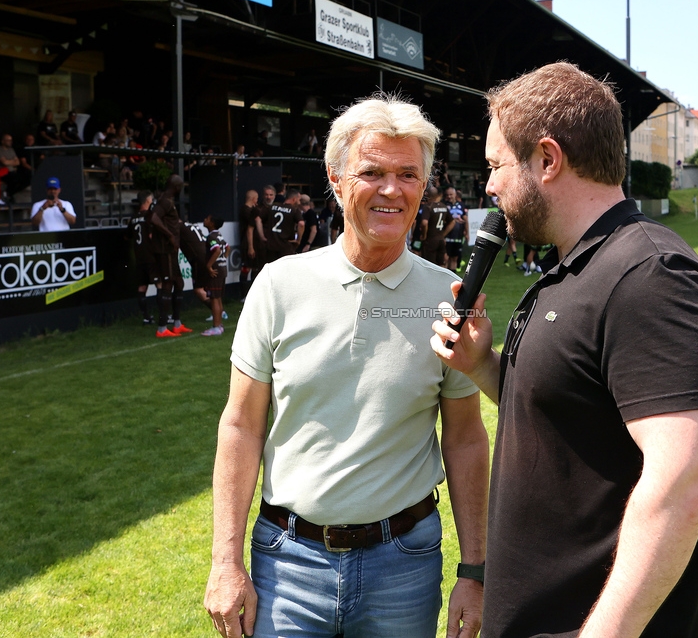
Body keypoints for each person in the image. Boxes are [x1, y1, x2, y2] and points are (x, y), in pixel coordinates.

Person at [430, 62, 698, 638]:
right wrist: (482, 367)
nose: (488, 186)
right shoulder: (574, 269)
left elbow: (686, 478)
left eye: (496, 165)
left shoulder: (653, 275)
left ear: (547, 160)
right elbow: (569, 413)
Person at [204, 93, 489, 638]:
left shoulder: (449, 298)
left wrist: (474, 572)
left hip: (404, 563)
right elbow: (241, 426)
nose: (391, 189)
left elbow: (466, 439)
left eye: (409, 174)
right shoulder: (279, 285)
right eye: (372, 172)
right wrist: (225, 561)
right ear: (335, 180)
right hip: (286, 563)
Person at [148, 174, 191, 338]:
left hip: (171, 251)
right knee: (168, 284)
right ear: (177, 187)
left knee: (179, 282)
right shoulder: (165, 201)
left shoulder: (166, 200)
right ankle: (162, 327)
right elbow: (153, 218)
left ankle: (177, 323)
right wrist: (170, 236)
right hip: (165, 250)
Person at [128, 191, 155, 324]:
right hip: (151, 256)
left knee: (142, 287)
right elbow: (152, 235)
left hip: (139, 257)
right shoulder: (150, 216)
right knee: (161, 284)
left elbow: (127, 236)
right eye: (151, 200)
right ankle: (164, 315)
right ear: (147, 201)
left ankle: (146, 317)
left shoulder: (133, 218)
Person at [238, 188, 268, 299]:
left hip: (255, 243)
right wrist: (250, 246)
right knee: (246, 267)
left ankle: (253, 294)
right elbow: (250, 228)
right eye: (257, 199)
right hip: (247, 243)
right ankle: (243, 296)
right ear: (253, 198)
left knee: (255, 267)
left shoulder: (252, 210)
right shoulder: (245, 211)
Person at [202, 214, 229, 336]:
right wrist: (223, 259)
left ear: (211, 223)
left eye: (207, 219)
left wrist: (209, 266)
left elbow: (217, 250)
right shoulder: (219, 235)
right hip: (222, 269)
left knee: (214, 299)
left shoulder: (211, 236)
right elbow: (228, 248)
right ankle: (219, 325)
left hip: (216, 271)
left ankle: (216, 327)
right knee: (217, 298)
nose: (205, 220)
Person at [263, 187, 302, 262]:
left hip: (271, 245)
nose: (299, 203)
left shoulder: (273, 206)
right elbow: (301, 224)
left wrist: (262, 236)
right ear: (294, 199)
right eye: (298, 200)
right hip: (286, 246)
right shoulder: (294, 210)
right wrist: (298, 240)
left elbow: (258, 219)